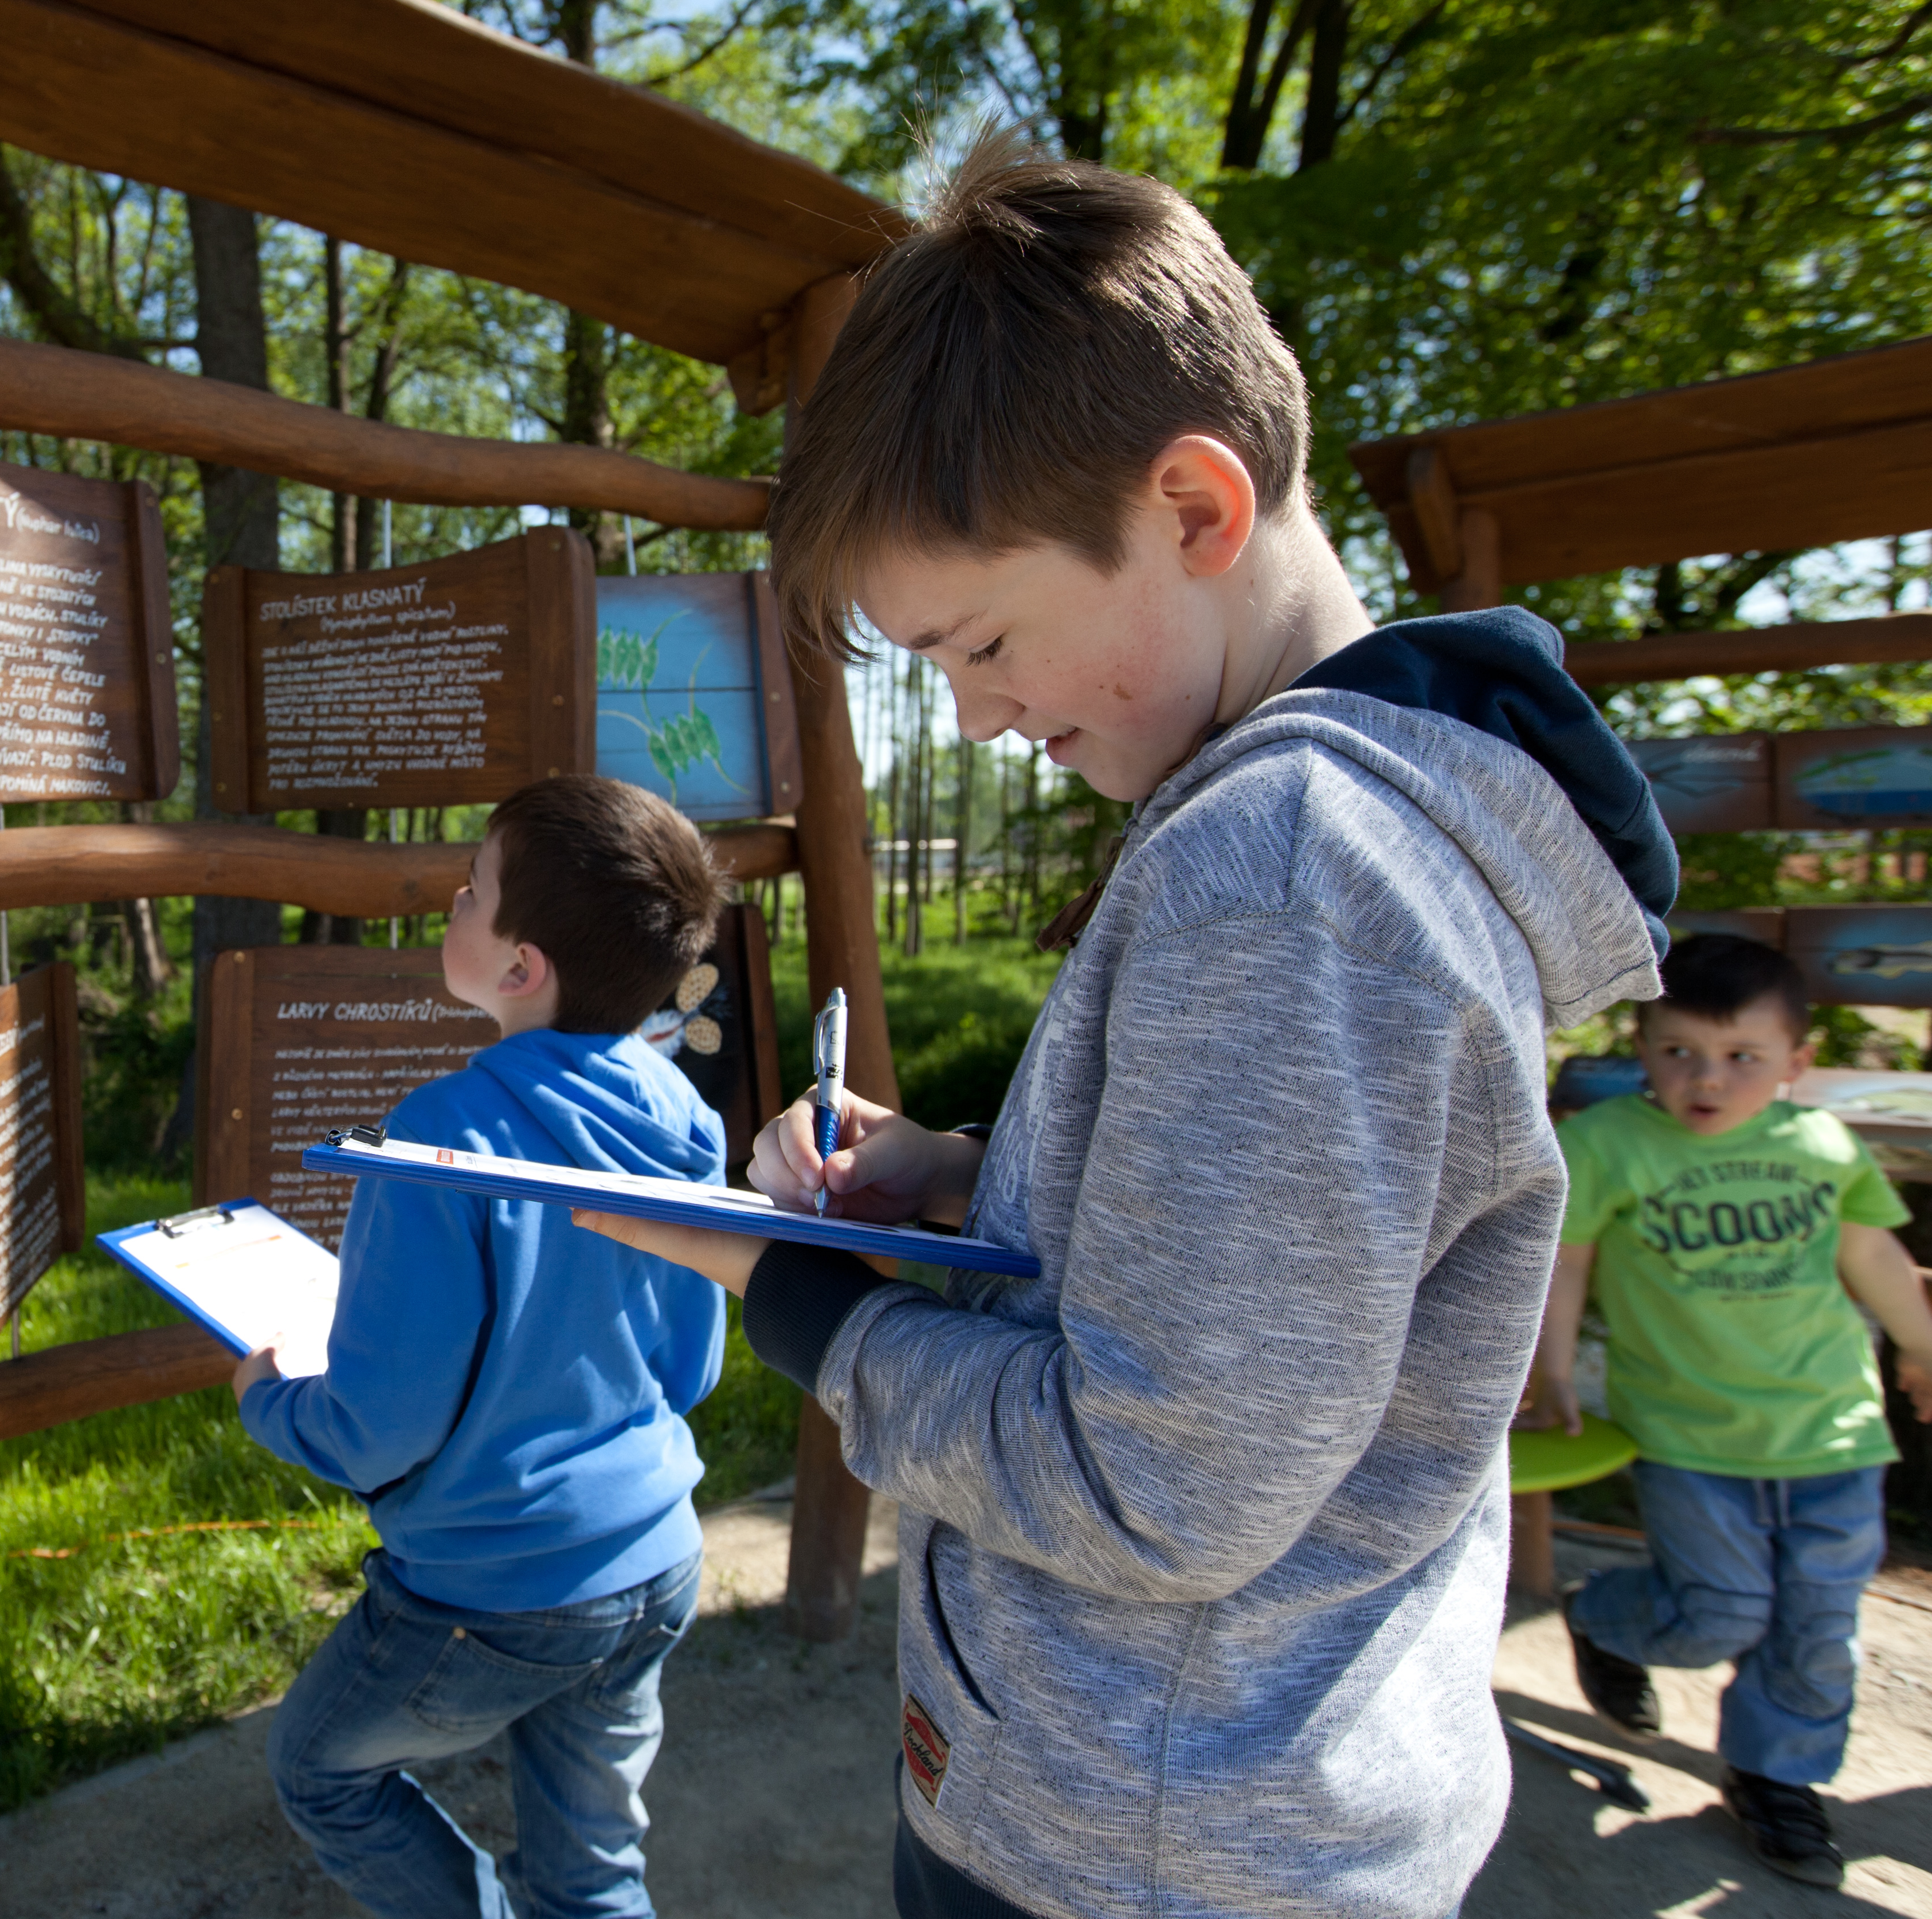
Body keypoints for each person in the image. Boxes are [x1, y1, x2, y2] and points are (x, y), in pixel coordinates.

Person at [574, 128, 1672, 1919]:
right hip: (1237, 1798)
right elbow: (1278, 1272)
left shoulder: (1283, 873)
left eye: (986, 641)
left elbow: (1151, 1488)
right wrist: (958, 1175)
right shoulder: (1360, 829)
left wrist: (790, 1296)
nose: (985, 717)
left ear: (1191, 511)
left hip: (1138, 1849)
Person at [233, 775, 731, 1919]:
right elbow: (690, 1365)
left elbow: (381, 1424)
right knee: (595, 1868)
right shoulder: (681, 1112)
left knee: (320, 1767)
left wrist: (271, 1398)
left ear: (520, 968)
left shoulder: (438, 1139)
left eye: (472, 892)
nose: (450, 902)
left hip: (492, 1586)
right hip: (653, 1556)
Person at [1522, 933, 1932, 1887]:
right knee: (1719, 1614)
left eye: (1742, 1057)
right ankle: (1605, 1616)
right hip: (1692, 1442)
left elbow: (1873, 1259)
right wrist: (1551, 1380)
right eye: (1679, 1052)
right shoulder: (1609, 1143)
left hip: (1834, 1435)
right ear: (1645, 1046)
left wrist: (1922, 1346)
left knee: (1816, 1630)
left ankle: (1775, 1779)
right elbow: (1565, 1270)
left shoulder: (1821, 1145)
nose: (1707, 1079)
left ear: (1797, 1062)